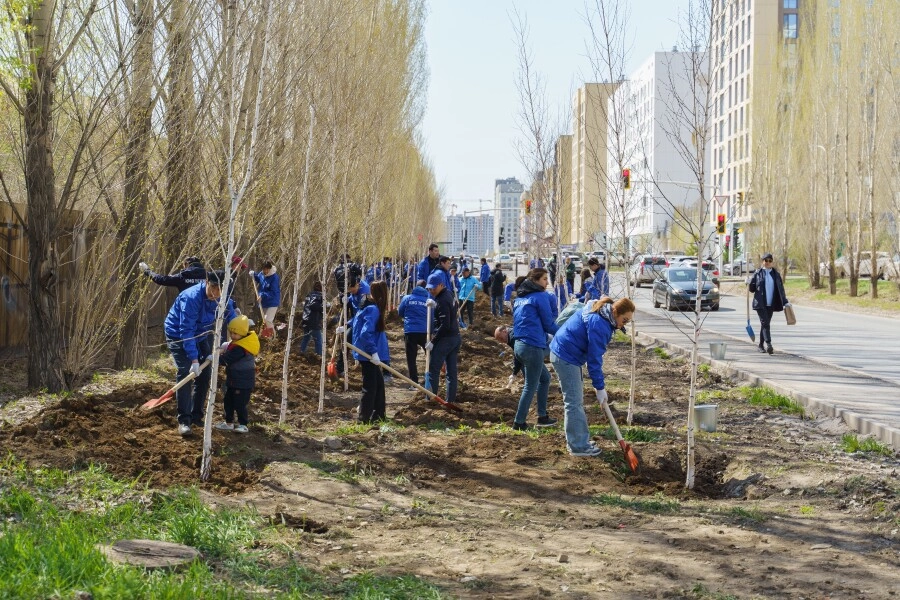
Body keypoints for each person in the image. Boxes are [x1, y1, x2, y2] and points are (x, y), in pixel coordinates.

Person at [550, 297, 635, 456]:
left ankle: (579, 441)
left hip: (567, 353)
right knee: (574, 403)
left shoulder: (603, 312)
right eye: (624, 320)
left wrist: (598, 386)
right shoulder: (600, 325)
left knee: (576, 401)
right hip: (566, 357)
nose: (624, 324)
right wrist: (599, 387)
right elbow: (594, 359)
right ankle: (578, 447)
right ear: (615, 312)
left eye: (628, 322)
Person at [164, 270, 236, 436]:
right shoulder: (190, 298)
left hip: (202, 332)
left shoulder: (222, 297)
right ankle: (184, 421)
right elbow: (186, 330)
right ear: (206, 282)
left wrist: (239, 326)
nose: (215, 294)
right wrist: (194, 359)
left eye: (219, 290)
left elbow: (229, 312)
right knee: (185, 371)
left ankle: (196, 416)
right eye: (213, 288)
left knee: (205, 374)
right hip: (178, 334)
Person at [511, 268, 559, 430]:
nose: (547, 282)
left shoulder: (520, 298)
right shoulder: (540, 296)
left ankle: (542, 416)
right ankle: (519, 423)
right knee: (530, 386)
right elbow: (549, 324)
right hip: (532, 346)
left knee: (544, 379)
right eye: (545, 279)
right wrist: (566, 334)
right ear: (536, 280)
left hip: (519, 346)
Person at [350, 281, 390, 422]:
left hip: (367, 352)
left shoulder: (366, 305)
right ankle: (363, 419)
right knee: (370, 388)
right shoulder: (373, 309)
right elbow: (365, 333)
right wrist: (373, 352)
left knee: (378, 385)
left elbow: (357, 321)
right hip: (367, 354)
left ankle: (379, 415)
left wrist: (346, 326)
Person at [214, 315, 259, 434]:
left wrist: (215, 358)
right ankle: (229, 423)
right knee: (228, 401)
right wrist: (226, 346)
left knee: (240, 404)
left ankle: (243, 424)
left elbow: (227, 360)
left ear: (243, 334)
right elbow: (231, 348)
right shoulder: (238, 343)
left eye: (235, 334)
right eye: (231, 333)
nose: (233, 336)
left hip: (243, 382)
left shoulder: (241, 348)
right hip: (234, 379)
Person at [425, 272, 461, 406]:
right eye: (429, 288)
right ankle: (450, 400)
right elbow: (455, 308)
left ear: (441, 285)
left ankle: (431, 400)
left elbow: (445, 325)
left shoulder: (442, 300)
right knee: (451, 371)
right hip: (455, 337)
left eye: (433, 288)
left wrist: (433, 342)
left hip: (446, 339)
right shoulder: (449, 294)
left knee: (433, 368)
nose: (431, 290)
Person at [747, 252, 790, 355]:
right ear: (762, 262)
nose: (768, 262)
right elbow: (752, 290)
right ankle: (769, 344)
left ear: (772, 262)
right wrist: (749, 282)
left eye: (770, 261)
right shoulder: (757, 273)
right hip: (760, 303)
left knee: (765, 324)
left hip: (771, 303)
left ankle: (761, 345)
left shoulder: (776, 274)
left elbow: (781, 290)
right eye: (766, 260)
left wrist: (785, 302)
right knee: (765, 323)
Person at [397, 280, 430, 388]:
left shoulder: (407, 298)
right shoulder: (428, 300)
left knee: (411, 358)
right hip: (425, 331)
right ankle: (429, 380)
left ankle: (414, 383)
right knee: (429, 355)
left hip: (410, 331)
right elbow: (432, 316)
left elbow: (400, 312)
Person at [139, 256, 206, 292]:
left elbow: (161, 279)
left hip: (188, 312)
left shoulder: (182, 277)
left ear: (187, 264)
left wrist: (147, 271)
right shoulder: (209, 276)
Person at [251, 260, 281, 331]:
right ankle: (267, 336)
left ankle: (271, 338)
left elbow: (273, 292)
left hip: (272, 302)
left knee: (268, 320)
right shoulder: (261, 274)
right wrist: (254, 275)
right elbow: (259, 279)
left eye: (267, 269)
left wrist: (262, 295)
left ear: (270, 269)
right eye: (264, 269)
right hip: (264, 302)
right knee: (264, 321)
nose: (266, 271)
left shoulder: (274, 278)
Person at [299, 282, 324, 355]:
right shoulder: (318, 296)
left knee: (306, 337)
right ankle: (319, 355)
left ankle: (302, 352)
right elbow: (314, 306)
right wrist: (324, 307)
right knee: (318, 339)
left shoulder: (309, 294)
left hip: (305, 319)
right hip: (313, 321)